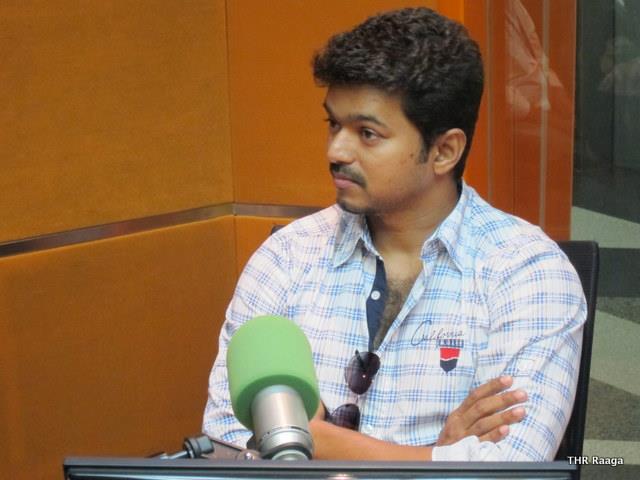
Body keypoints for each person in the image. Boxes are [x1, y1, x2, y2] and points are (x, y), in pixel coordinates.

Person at [203, 7, 586, 461]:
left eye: (367, 133)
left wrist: (311, 438)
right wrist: (434, 457)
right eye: (333, 124)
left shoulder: (526, 271)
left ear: (444, 151)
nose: (336, 150)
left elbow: (513, 465)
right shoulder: (287, 257)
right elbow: (227, 440)